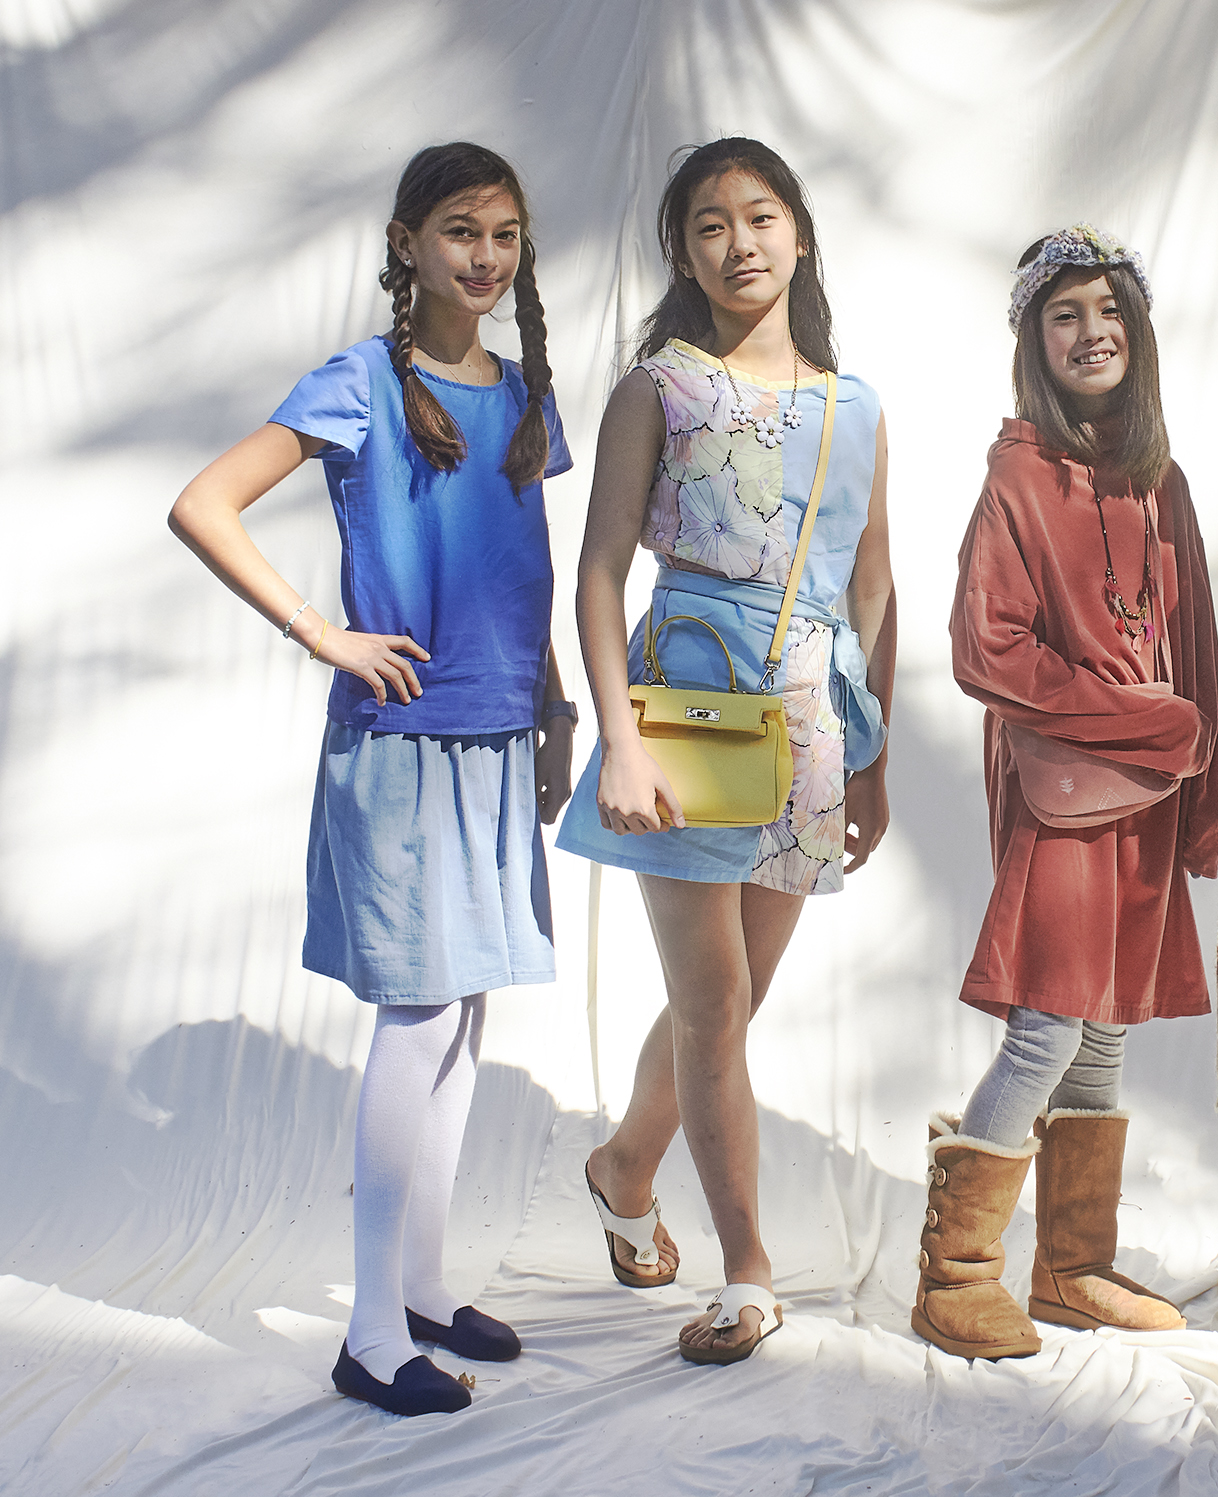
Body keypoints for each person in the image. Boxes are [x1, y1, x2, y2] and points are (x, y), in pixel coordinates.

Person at [167, 142, 574, 1416]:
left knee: (463, 1011)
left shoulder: (522, 392)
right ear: (405, 242)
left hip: (499, 734)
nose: (484, 255)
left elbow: (525, 570)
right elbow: (203, 503)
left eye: (504, 232)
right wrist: (320, 630)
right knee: (415, 1012)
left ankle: (424, 1285)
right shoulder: (359, 381)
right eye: (460, 229)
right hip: (401, 743)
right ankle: (370, 1334)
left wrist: (553, 705)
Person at [555, 138, 895, 1366]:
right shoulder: (658, 386)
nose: (739, 241)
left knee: (734, 1003)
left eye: (760, 216)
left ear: (799, 233)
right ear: (682, 251)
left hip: (806, 722)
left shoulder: (853, 405)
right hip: (687, 702)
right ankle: (746, 1272)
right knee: (712, 1006)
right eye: (710, 224)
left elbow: (873, 585)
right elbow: (596, 570)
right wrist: (616, 743)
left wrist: (872, 756)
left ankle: (620, 1166)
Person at [911, 226, 1218, 1362]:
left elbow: (1191, 650)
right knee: (1045, 1025)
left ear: (1134, 334)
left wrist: (1199, 799)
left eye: (1109, 312)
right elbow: (984, 650)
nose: (1091, 333)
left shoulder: (1158, 479)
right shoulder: (1016, 475)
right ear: (1032, 343)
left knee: (1102, 1031)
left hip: (1145, 801)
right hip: (1058, 799)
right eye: (1064, 315)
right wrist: (1141, 721)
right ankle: (952, 1276)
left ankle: (1072, 1266)